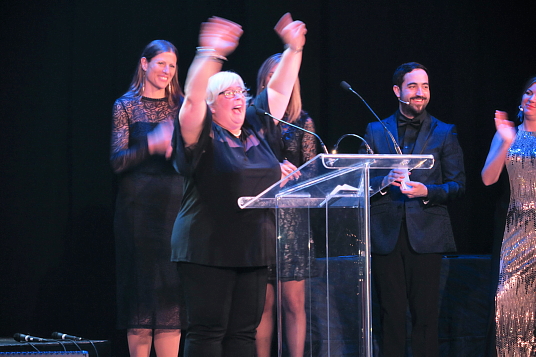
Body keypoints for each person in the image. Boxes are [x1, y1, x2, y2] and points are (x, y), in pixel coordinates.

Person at [170, 14, 307, 357]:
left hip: (252, 249)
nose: (238, 97)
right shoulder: (201, 132)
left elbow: (279, 89)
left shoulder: (257, 127)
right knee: (208, 332)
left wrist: (293, 48)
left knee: (244, 334)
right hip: (207, 249)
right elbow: (191, 99)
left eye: (241, 91)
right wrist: (209, 54)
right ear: (212, 105)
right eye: (226, 93)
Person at [359, 62, 465, 356]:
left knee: (426, 317)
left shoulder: (445, 132)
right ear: (398, 91)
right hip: (385, 236)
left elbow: (458, 185)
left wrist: (427, 191)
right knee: (390, 315)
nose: (421, 93)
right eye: (413, 86)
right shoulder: (374, 130)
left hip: (427, 235)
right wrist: (383, 181)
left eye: (425, 86)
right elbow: (359, 181)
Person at [110, 40, 184, 357]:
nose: (167, 71)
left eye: (172, 65)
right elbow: (117, 161)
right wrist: (152, 144)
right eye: (161, 64)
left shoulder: (182, 105)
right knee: (140, 298)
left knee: (171, 299)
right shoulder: (126, 105)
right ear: (144, 63)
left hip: (175, 209)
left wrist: (178, 148)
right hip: (137, 211)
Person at [254, 53, 317, 357]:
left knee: (293, 303)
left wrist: (296, 174)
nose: (278, 83)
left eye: (285, 76)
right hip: (259, 218)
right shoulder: (251, 120)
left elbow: (314, 174)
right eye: (272, 77)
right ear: (264, 82)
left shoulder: (303, 121)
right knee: (262, 306)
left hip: (293, 222)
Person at [481, 77, 536, 356]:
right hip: (512, 235)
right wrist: (504, 141)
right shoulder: (508, 134)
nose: (532, 98)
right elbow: (488, 179)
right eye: (528, 92)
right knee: (507, 306)